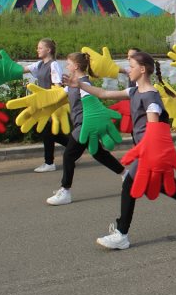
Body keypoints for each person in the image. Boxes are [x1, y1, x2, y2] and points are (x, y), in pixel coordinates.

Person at [69, 51, 176, 248]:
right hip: (145, 149)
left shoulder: (151, 99)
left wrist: (144, 153)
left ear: (143, 69)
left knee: (129, 184)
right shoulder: (135, 91)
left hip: (150, 151)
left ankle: (121, 233)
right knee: (165, 185)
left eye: (132, 66)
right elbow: (104, 94)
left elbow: (154, 132)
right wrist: (80, 85)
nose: (128, 70)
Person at [46, 52, 126, 205]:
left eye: (68, 64)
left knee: (69, 156)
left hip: (85, 125)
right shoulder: (74, 82)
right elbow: (57, 96)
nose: (66, 66)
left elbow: (93, 105)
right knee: (98, 153)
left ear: (76, 66)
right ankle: (126, 174)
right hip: (80, 125)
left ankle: (65, 191)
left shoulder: (84, 85)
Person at [23, 38, 65, 172]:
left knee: (47, 132)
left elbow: (58, 85)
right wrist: (4, 69)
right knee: (51, 132)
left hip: (52, 104)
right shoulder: (39, 64)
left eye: (40, 48)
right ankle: (75, 146)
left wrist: (55, 103)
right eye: (38, 48)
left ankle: (49, 163)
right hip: (43, 105)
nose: (37, 50)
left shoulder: (54, 65)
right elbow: (21, 69)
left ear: (49, 50)